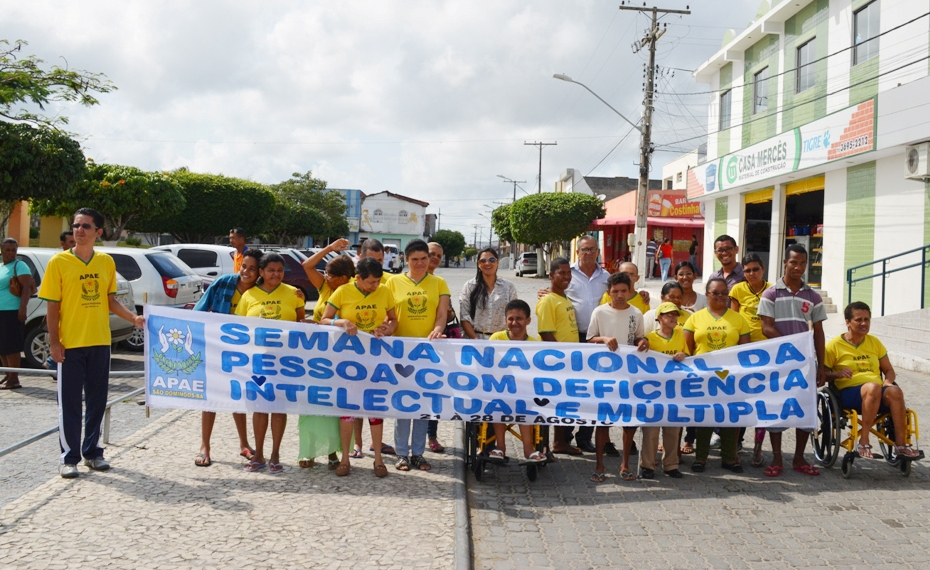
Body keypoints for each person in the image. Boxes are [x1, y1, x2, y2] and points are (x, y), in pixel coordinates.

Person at [39, 208, 145, 478]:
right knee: (70, 403)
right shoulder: (58, 262)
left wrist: (134, 318)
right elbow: (52, 306)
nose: (79, 230)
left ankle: (93, 453)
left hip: (99, 342)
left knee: (98, 401)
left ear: (98, 232)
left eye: (86, 226)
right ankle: (69, 458)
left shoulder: (106, 262)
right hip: (71, 344)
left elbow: (110, 301)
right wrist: (54, 342)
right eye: (76, 225)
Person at [322, 257, 398, 477]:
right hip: (348, 360)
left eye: (378, 282)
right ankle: (345, 459)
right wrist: (342, 322)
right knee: (348, 409)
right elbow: (324, 320)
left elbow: (394, 320)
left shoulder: (384, 291)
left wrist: (387, 330)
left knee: (374, 409)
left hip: (375, 357)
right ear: (358, 278)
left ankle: (378, 460)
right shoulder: (342, 292)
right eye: (371, 282)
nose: (375, 286)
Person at [756, 244, 827, 477]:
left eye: (803, 263)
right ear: (785, 263)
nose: (798, 267)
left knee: (805, 409)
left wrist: (821, 365)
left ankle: (799, 457)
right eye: (794, 262)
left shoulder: (813, 296)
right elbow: (767, 328)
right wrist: (793, 347)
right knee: (777, 408)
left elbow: (818, 332)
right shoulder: (771, 294)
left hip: (806, 364)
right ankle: (777, 458)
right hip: (779, 363)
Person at [235, 253, 309, 474]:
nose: (275, 274)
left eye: (280, 270)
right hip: (257, 361)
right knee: (259, 409)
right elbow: (239, 329)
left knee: (278, 408)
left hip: (285, 362)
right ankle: (258, 454)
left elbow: (300, 324)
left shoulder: (294, 294)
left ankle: (276, 454)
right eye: (270, 270)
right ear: (261, 272)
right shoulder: (248, 296)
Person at [537, 236, 611, 454]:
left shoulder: (606, 276)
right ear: (577, 252)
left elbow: (623, 292)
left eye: (592, 249)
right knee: (566, 394)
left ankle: (584, 437)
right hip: (567, 346)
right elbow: (549, 313)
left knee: (589, 392)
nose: (588, 253)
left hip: (594, 339)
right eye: (584, 249)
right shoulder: (566, 275)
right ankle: (562, 439)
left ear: (598, 252)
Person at [192, 248, 262, 467]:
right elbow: (199, 310)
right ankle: (205, 445)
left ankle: (244, 444)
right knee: (210, 397)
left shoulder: (263, 291)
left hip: (245, 353)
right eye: (244, 266)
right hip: (216, 348)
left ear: (259, 272)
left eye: (252, 268)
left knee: (239, 396)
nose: (246, 272)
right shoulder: (222, 283)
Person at [825, 301, 920, 460]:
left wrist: (888, 382)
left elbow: (889, 370)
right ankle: (864, 441)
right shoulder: (834, 345)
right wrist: (838, 373)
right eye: (859, 319)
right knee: (873, 387)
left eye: (867, 319)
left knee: (895, 391)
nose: (864, 323)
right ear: (847, 322)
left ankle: (901, 445)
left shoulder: (874, 342)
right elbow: (823, 373)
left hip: (876, 390)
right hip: (849, 393)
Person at [387, 239, 450, 472]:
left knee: (424, 403)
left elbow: (441, 313)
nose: (420, 263)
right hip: (401, 351)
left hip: (429, 351)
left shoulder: (439, 282)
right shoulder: (392, 282)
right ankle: (401, 453)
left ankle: (418, 453)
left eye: (424, 258)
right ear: (406, 260)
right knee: (404, 403)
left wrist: (438, 329)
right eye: (415, 259)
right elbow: (389, 315)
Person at [683, 277, 750, 473]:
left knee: (730, 417)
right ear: (707, 295)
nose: (720, 296)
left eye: (723, 293)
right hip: (703, 377)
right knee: (705, 418)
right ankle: (701, 458)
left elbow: (745, 350)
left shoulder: (739, 319)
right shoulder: (695, 318)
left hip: (730, 376)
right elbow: (687, 349)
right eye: (715, 293)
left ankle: (729, 458)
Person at [586, 272, 649, 482]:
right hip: (603, 375)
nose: (620, 295)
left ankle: (625, 464)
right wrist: (603, 338)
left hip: (629, 376)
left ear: (631, 292)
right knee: (602, 422)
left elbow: (639, 337)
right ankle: (599, 464)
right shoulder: (599, 312)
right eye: (615, 291)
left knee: (629, 422)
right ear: (608, 292)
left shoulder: (637, 313)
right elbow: (589, 339)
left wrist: (643, 341)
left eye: (624, 291)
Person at [487, 300, 547, 463]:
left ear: (528, 320)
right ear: (505, 320)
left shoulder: (535, 344)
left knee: (524, 403)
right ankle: (500, 447)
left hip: (524, 391)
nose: (514, 323)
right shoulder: (496, 338)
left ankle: (528, 449)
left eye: (519, 319)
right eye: (510, 319)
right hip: (500, 388)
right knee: (498, 402)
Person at [728, 253, 771, 469]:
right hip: (743, 352)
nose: (751, 273)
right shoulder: (737, 290)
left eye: (755, 269)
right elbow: (734, 319)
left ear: (763, 269)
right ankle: (735, 444)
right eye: (747, 270)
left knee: (761, 401)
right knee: (742, 399)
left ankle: (758, 446)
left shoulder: (772, 290)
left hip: (767, 353)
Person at [536, 257, 582, 456]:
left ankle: (560, 443)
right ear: (551, 275)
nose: (566, 277)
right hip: (556, 362)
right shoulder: (548, 301)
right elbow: (546, 332)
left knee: (563, 405)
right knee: (550, 406)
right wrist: (560, 359)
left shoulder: (564, 298)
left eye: (568, 273)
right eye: (561, 273)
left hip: (570, 361)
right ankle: (544, 446)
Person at [643, 302, 688, 479]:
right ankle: (647, 465)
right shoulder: (649, 338)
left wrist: (684, 356)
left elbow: (688, 357)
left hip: (674, 390)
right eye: (668, 315)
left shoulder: (680, 335)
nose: (673, 318)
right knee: (651, 431)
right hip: (653, 390)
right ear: (659, 318)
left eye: (675, 315)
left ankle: (671, 465)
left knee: (673, 430)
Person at [459, 247, 518, 340]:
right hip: (475, 341)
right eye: (483, 261)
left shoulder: (509, 287)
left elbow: (515, 316)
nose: (487, 263)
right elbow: (464, 316)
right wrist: (476, 340)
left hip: (501, 341)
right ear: (478, 264)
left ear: (497, 262)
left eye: (491, 260)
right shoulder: (470, 286)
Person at [0, 238, 35, 390]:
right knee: (2, 346)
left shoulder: (20, 265)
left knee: (12, 346)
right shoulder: (1, 266)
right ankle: (8, 374)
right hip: (1, 311)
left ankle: (14, 379)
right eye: (7, 250)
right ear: (1, 250)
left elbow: (26, 287)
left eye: (13, 250)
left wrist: (23, 308)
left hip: (12, 311)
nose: (11, 253)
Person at [426, 241, 449, 452]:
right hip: (407, 345)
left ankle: (431, 436)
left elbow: (443, 313)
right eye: (431, 253)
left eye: (438, 256)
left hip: (434, 344)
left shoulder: (440, 282)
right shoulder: (400, 280)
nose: (434, 258)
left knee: (433, 392)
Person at [300, 238, 355, 322]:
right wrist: (329, 248)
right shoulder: (325, 285)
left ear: (342, 278)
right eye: (326, 273)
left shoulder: (355, 289)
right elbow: (307, 266)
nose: (326, 277)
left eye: (330, 276)